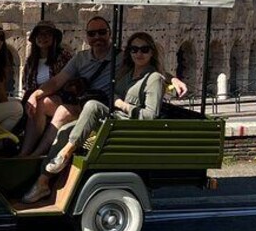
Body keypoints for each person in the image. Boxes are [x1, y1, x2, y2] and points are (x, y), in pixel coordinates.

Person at [22, 32, 167, 204]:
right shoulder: (127, 73)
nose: (139, 53)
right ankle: (43, 181)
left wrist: (122, 104)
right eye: (134, 49)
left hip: (128, 128)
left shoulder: (154, 78)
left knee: (93, 105)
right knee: (65, 130)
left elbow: (150, 116)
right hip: (113, 121)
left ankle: (66, 152)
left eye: (144, 49)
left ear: (152, 52)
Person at [24, 17, 187, 158]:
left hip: (100, 106)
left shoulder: (121, 57)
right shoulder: (81, 58)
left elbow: (149, 66)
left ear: (109, 33)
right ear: (86, 36)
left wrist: (173, 79)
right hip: (80, 101)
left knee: (62, 112)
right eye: (92, 34)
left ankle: (37, 156)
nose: (97, 37)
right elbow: (56, 81)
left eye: (101, 32)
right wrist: (35, 95)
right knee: (40, 103)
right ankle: (25, 153)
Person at [19, 21, 72, 156]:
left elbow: (64, 83)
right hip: (35, 98)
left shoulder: (63, 56)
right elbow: (26, 85)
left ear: (54, 38)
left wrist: (39, 95)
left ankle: (26, 153)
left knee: (41, 103)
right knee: (29, 105)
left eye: (47, 34)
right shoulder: (31, 61)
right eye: (40, 34)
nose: (43, 37)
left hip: (62, 98)